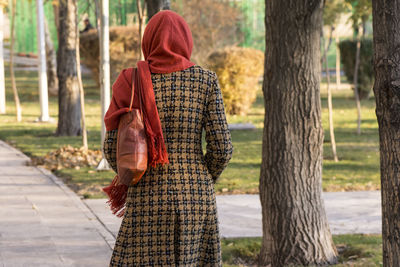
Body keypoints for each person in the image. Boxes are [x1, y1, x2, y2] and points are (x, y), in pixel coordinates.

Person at [103, 10, 233, 266]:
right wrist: (201, 178)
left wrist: (134, 174)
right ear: (186, 41)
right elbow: (222, 150)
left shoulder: (130, 81)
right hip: (196, 197)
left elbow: (111, 149)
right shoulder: (206, 81)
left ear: (148, 40)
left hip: (146, 196)